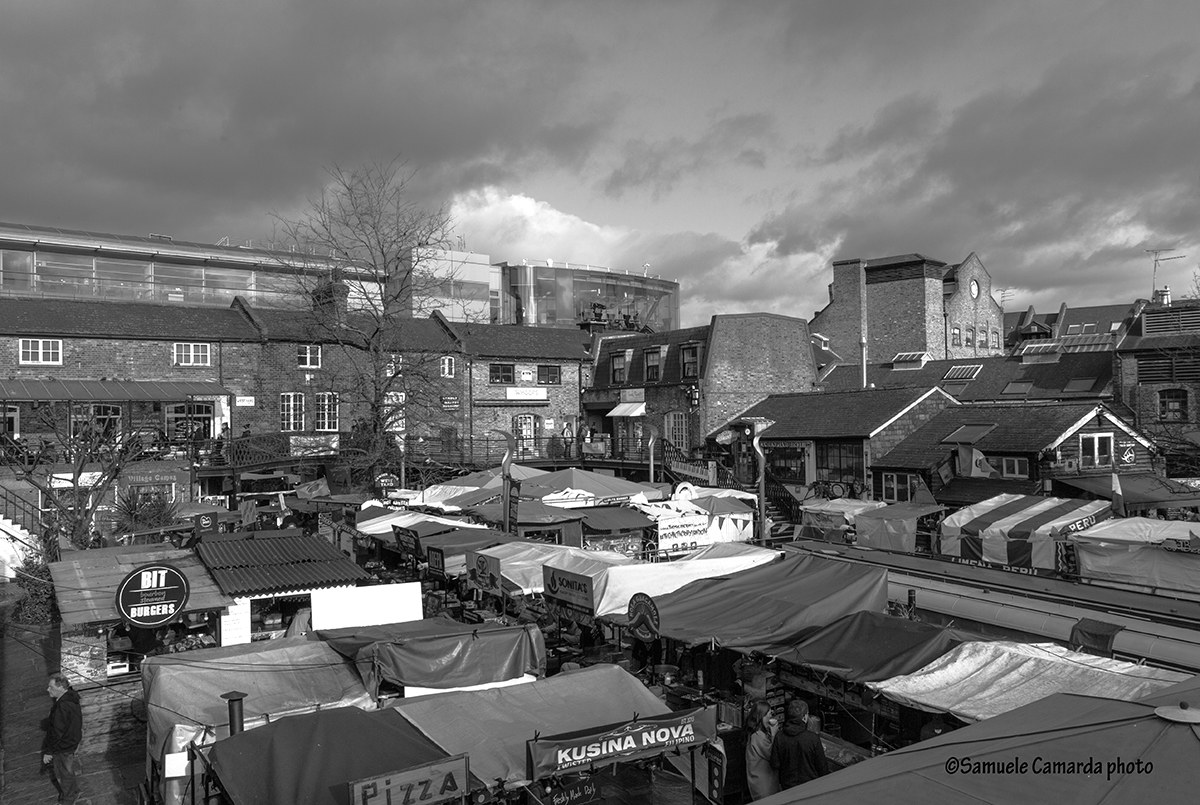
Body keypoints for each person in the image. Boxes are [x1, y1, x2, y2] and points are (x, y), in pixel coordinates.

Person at [769, 699, 829, 789]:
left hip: (787, 787)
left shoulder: (779, 736)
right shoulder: (813, 739)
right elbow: (823, 768)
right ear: (804, 717)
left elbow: (775, 764)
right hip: (810, 788)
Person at [42, 672, 83, 804]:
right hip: (71, 741)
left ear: (60, 688)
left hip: (64, 745)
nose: (48, 689)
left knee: (64, 773)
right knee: (68, 770)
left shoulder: (62, 706)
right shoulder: (71, 699)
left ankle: (69, 797)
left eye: (51, 687)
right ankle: (74, 791)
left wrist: (48, 751)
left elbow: (57, 731)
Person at [744, 700, 781, 800]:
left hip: (762, 781)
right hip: (763, 784)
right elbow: (772, 754)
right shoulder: (758, 736)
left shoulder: (757, 732)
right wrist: (774, 734)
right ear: (761, 716)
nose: (770, 717)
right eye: (768, 714)